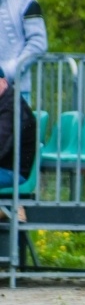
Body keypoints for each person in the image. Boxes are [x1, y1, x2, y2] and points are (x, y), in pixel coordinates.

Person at [0, 0, 48, 103]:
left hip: (16, 91)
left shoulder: (26, 2)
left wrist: (7, 71)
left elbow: (38, 44)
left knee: (11, 127)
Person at [0, 67, 37, 223]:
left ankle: (7, 210)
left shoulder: (12, 108)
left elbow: (1, 147)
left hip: (12, 171)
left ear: (3, 82)